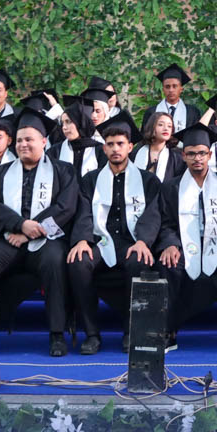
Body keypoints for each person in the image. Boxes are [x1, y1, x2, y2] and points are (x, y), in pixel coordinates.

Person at [0, 108, 81, 357]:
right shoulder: (1, 172)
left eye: (29, 139)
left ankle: (57, 333)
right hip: (9, 239)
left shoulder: (63, 171)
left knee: (54, 261)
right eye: (19, 140)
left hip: (47, 240)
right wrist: (19, 224)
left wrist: (31, 230)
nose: (23, 144)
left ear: (44, 141)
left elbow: (66, 208)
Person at [67, 113, 164, 354]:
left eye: (120, 144)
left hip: (132, 241)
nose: (115, 149)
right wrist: (82, 240)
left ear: (130, 147)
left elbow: (153, 214)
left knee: (139, 259)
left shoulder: (148, 180)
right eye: (110, 144)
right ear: (104, 148)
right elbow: (83, 212)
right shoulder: (90, 180)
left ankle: (132, 331)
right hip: (101, 241)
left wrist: (143, 241)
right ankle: (91, 334)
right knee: (79, 262)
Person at [156, 123, 217, 349]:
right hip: (184, 246)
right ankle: (168, 330)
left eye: (202, 153)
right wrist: (170, 244)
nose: (197, 158)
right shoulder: (171, 187)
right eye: (191, 154)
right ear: (183, 156)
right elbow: (166, 222)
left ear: (210, 154)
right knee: (167, 263)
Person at [133, 110, 184, 181]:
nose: (166, 128)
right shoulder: (136, 152)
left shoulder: (177, 157)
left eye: (169, 126)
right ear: (152, 127)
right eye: (160, 125)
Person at [55, 102, 103, 175]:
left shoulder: (100, 151)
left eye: (68, 122)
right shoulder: (55, 151)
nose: (64, 127)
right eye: (62, 123)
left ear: (80, 123)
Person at [152, 64, 201, 129]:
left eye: (174, 86)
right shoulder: (152, 112)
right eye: (167, 87)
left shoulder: (192, 112)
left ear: (181, 89)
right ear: (163, 90)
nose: (171, 90)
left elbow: (195, 134)